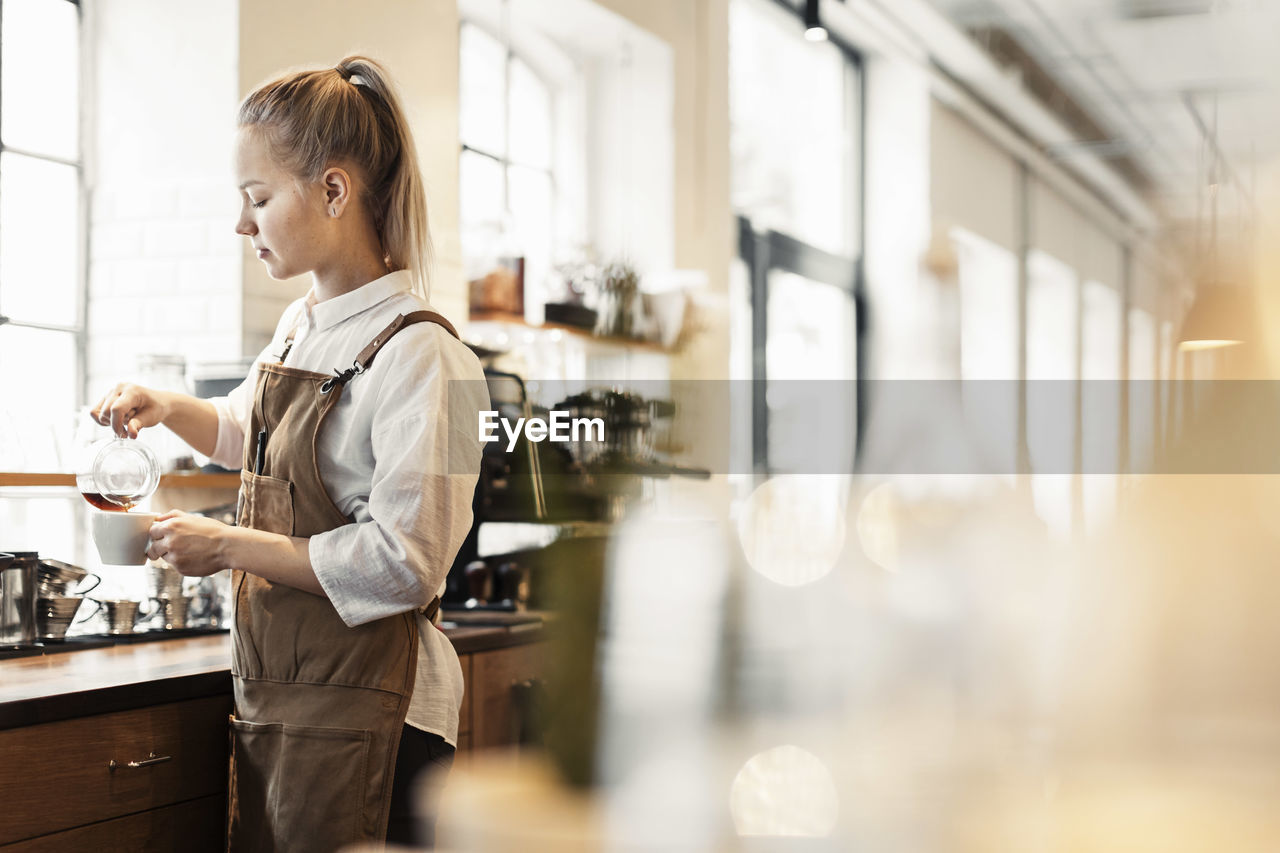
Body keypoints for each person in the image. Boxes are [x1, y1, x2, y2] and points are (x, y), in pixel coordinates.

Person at [91, 56, 487, 851]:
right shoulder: (303, 326)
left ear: (334, 192)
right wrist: (167, 408)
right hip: (287, 697)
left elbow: (409, 563)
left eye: (258, 198)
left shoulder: (436, 360)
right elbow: (246, 434)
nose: (242, 225)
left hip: (380, 708)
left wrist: (230, 544)